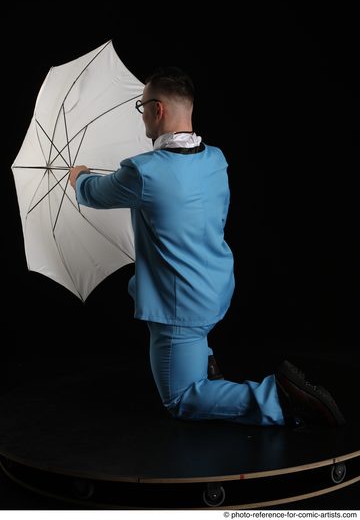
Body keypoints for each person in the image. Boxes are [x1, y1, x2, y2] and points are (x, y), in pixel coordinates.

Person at [69, 67, 345, 428]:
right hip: (216, 289)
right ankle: (205, 362)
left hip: (179, 309)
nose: (143, 117)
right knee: (162, 304)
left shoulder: (143, 172)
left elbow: (93, 193)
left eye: (141, 107)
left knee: (179, 398)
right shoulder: (216, 159)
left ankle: (280, 397)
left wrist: (79, 176)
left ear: (158, 110)